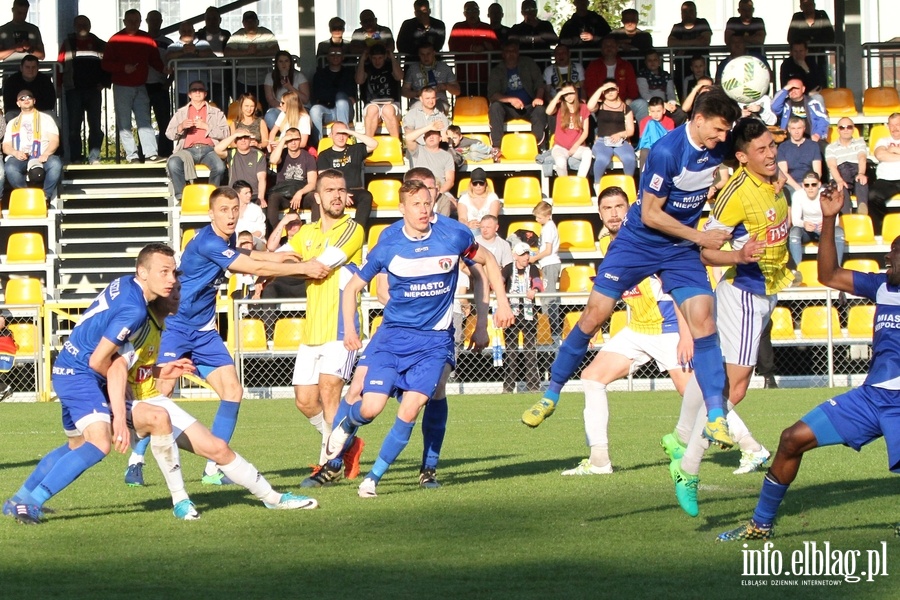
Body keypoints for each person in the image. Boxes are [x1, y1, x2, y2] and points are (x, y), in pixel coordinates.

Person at [521, 87, 743, 454]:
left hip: (679, 248)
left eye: (727, 131)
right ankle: (551, 394)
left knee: (704, 320)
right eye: (718, 129)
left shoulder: (720, 143)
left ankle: (716, 416)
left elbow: (741, 157)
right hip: (639, 242)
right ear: (698, 120)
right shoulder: (666, 151)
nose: (723, 137)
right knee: (594, 315)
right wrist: (701, 236)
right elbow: (653, 214)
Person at [716, 185, 899, 543]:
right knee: (791, 439)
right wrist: (829, 218)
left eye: (897, 254)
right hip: (870, 398)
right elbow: (828, 275)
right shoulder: (881, 287)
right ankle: (760, 525)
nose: (889, 260)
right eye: (891, 252)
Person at [324, 179, 514, 498]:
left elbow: (487, 262)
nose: (424, 210)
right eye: (416, 204)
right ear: (402, 209)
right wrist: (352, 329)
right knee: (369, 407)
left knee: (415, 406)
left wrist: (499, 305)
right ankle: (345, 428)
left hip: (434, 341)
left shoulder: (453, 234)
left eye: (428, 203)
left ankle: (376, 478)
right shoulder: (389, 243)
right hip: (393, 337)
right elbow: (355, 287)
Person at [154, 187, 331, 484]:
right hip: (176, 324)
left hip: (204, 329)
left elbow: (249, 254)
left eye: (234, 209)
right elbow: (251, 266)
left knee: (233, 392)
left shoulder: (229, 237)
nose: (231, 215)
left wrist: (282, 256)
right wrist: (301, 267)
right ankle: (135, 459)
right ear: (211, 213)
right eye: (223, 210)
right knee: (161, 394)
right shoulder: (209, 241)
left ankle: (214, 468)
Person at [666, 118, 792, 517]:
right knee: (730, 390)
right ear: (741, 157)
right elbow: (704, 251)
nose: (771, 153)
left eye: (772, 146)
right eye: (762, 149)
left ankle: (681, 436)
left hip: (766, 292)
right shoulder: (734, 194)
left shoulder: (771, 180)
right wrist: (737, 256)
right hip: (744, 295)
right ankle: (687, 468)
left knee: (717, 380)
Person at [2, 244, 181, 524]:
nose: (172, 279)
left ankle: (18, 500)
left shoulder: (125, 283)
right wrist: (120, 411)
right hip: (80, 373)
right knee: (100, 443)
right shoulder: (135, 309)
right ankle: (32, 504)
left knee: (76, 445)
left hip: (68, 365)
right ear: (142, 273)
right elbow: (99, 361)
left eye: (173, 272)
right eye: (164, 272)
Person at [119, 281, 318, 514]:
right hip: (120, 404)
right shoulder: (140, 321)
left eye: (179, 290)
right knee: (95, 444)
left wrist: (160, 370)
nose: (178, 296)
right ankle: (142, 466)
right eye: (172, 290)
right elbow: (110, 366)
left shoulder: (157, 324)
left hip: (203, 332)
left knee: (219, 436)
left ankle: (269, 496)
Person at [564, 187, 694, 475]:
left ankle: (751, 447)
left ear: (631, 209)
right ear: (599, 214)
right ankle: (599, 460)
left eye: (619, 206)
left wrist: (687, 333)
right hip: (636, 328)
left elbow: (678, 285)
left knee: (695, 393)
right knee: (592, 378)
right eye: (607, 208)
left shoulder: (647, 239)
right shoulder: (610, 246)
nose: (614, 213)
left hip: (668, 327)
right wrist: (593, 324)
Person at [289, 169, 367, 486]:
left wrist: (287, 268)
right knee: (304, 401)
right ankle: (344, 442)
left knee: (329, 391)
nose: (337, 195)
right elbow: (281, 257)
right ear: (318, 197)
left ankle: (329, 464)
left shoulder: (353, 230)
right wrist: (279, 265)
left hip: (340, 327)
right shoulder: (305, 233)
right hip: (313, 329)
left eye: (341, 189)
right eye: (330, 189)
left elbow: (321, 266)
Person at [101, 9, 165, 164]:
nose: (133, 24)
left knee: (144, 121)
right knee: (124, 123)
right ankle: (132, 156)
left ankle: (151, 154)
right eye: (130, 21)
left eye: (136, 21)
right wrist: (123, 68)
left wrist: (165, 70)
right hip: (122, 86)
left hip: (141, 85)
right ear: (124, 22)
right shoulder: (116, 40)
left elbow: (154, 60)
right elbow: (105, 63)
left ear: (140, 21)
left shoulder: (146, 38)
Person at [165, 80, 229, 202]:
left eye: (201, 90)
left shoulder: (216, 113)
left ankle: (213, 199)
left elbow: (226, 133)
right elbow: (169, 134)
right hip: (187, 150)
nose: (197, 92)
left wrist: (207, 127)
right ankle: (182, 197)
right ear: (189, 94)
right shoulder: (181, 113)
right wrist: (181, 126)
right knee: (173, 163)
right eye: (194, 90)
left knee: (220, 167)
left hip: (210, 150)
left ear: (205, 94)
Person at [58, 15, 107, 165]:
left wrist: (104, 83)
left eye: (85, 24)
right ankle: (76, 158)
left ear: (90, 25)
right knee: (73, 128)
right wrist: (58, 87)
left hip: (94, 90)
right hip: (73, 89)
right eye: (79, 24)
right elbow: (60, 65)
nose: (82, 27)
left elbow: (108, 65)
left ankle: (94, 157)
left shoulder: (99, 43)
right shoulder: (67, 43)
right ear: (74, 26)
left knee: (96, 127)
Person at [308, 122, 377, 228]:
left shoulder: (355, 149)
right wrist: (342, 193)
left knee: (366, 196)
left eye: (344, 134)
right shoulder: (324, 155)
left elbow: (374, 144)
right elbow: (324, 179)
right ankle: (318, 231)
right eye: (337, 134)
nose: (341, 137)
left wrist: (351, 132)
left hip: (355, 192)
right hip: (333, 191)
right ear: (331, 135)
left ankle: (357, 231)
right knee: (320, 198)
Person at [487, 40, 548, 155]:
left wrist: (538, 97)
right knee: (495, 107)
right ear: (503, 54)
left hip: (529, 105)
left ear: (518, 53)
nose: (511, 54)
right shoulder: (497, 70)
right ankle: (497, 148)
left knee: (540, 109)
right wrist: (510, 100)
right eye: (508, 52)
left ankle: (538, 147)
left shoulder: (528, 64)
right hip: (508, 109)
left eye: (514, 51)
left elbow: (540, 83)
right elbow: (493, 95)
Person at [2, 88, 62, 203]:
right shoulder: (12, 123)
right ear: (18, 103)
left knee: (55, 164)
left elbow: (54, 140)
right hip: (21, 156)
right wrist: (15, 153)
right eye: (22, 98)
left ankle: (45, 196)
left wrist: (46, 153)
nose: (26, 99)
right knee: (10, 167)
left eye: (29, 97)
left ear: (34, 100)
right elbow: (6, 146)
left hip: (42, 154)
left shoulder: (46, 118)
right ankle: (27, 197)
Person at [503, 242, 544, 393]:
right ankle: (508, 386)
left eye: (527, 254)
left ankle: (533, 386)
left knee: (530, 350)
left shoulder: (532, 268)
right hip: (511, 314)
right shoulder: (508, 268)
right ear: (515, 256)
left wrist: (534, 289)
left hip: (529, 313)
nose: (526, 257)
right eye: (522, 255)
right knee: (511, 351)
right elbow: (499, 283)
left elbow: (538, 282)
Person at [789, 171, 845, 269]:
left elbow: (835, 221)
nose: (810, 188)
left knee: (839, 232)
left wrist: (826, 224)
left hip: (825, 230)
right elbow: (795, 220)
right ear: (803, 185)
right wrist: (804, 224)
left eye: (813, 184)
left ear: (819, 184)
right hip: (807, 230)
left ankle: (837, 268)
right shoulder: (798, 195)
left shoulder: (827, 194)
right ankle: (797, 270)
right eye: (807, 185)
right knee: (794, 232)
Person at [266, 127, 318, 230]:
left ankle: (315, 232)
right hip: (284, 193)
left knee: (315, 198)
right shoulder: (282, 153)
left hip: (301, 194)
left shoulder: (308, 157)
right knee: (273, 198)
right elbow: (273, 160)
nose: (293, 142)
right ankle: (273, 234)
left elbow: (312, 183)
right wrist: (283, 141)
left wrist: (300, 193)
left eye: (296, 139)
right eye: (290, 140)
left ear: (300, 140)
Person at [587, 80, 637, 185]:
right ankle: (597, 184)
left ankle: (628, 185)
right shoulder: (599, 105)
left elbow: (631, 130)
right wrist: (601, 89)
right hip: (602, 141)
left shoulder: (625, 108)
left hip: (621, 141)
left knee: (630, 158)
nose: (610, 92)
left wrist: (620, 134)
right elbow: (590, 107)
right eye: (607, 90)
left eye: (612, 89)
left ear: (618, 90)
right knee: (602, 159)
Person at [223, 11, 279, 102]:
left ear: (257, 22)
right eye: (247, 21)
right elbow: (227, 52)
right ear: (243, 23)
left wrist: (258, 52)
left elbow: (276, 50)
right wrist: (247, 52)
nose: (250, 24)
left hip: (264, 80)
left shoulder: (266, 33)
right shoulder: (237, 35)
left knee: (264, 106)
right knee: (244, 106)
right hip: (243, 80)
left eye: (252, 21)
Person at [406, 122, 457, 217]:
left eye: (434, 134)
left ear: (440, 138)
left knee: (453, 204)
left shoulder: (447, 156)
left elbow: (450, 180)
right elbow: (408, 138)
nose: (431, 137)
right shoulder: (417, 150)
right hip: (418, 189)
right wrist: (429, 127)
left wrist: (437, 193)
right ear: (424, 139)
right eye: (428, 135)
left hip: (440, 190)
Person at [448, 1, 498, 97]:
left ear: (479, 12)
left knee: (483, 105)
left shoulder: (487, 28)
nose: (472, 14)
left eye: (475, 10)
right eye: (469, 11)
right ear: (464, 14)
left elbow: (496, 47)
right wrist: (471, 48)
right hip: (463, 76)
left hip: (483, 76)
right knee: (463, 105)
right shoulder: (458, 27)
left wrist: (489, 48)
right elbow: (452, 46)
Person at [309, 45, 357, 143]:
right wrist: (339, 94)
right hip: (328, 111)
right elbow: (318, 96)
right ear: (327, 57)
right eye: (332, 54)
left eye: (338, 54)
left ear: (343, 57)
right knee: (314, 110)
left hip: (345, 111)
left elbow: (351, 98)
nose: (335, 56)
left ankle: (344, 139)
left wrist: (332, 94)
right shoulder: (320, 75)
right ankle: (319, 145)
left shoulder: (349, 73)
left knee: (341, 100)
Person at [530, 201, 562, 344]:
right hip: (546, 264)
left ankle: (552, 330)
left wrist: (534, 258)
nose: (537, 220)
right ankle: (548, 329)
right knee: (545, 297)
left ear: (548, 216)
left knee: (548, 298)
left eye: (540, 217)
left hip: (550, 264)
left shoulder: (549, 227)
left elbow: (548, 251)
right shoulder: (546, 226)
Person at [355, 43, 403, 139]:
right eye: (374, 58)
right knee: (373, 110)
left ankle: (396, 144)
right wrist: (362, 60)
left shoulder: (391, 66)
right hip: (371, 104)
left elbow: (399, 76)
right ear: (370, 58)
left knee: (388, 110)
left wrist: (392, 57)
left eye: (380, 58)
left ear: (385, 56)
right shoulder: (366, 67)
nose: (377, 61)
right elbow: (359, 80)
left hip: (392, 103)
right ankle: (368, 145)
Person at [667, 2, 713, 98]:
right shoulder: (677, 27)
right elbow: (671, 43)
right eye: (685, 11)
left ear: (696, 12)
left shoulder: (702, 23)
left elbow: (705, 41)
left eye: (690, 11)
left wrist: (682, 44)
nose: (688, 14)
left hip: (701, 67)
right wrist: (695, 41)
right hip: (682, 69)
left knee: (705, 94)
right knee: (684, 96)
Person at [401, 41, 460, 114]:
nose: (425, 57)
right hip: (418, 101)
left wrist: (446, 86)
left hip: (439, 101)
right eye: (422, 54)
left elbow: (457, 91)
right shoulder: (412, 69)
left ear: (434, 53)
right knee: (418, 109)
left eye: (428, 54)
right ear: (419, 55)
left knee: (436, 109)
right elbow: (404, 91)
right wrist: (417, 93)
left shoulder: (444, 67)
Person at [546, 84, 592, 178]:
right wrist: (558, 95)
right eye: (566, 94)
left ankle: (580, 181)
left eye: (571, 93)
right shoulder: (559, 107)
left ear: (576, 93)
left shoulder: (583, 107)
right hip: (560, 147)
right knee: (561, 163)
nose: (569, 96)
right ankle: (564, 184)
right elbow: (548, 111)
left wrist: (575, 146)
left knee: (588, 153)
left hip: (577, 146)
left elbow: (585, 132)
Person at [825, 117, 869, 215]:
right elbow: (832, 166)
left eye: (849, 127)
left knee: (862, 180)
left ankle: (862, 209)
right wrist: (839, 180)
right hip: (839, 174)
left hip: (855, 171)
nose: (845, 130)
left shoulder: (860, 142)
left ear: (853, 129)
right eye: (842, 127)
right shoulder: (831, 147)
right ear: (838, 130)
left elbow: (862, 158)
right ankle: (846, 215)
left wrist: (861, 173)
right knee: (840, 189)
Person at [144, 10, 173, 158]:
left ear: (161, 22)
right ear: (147, 21)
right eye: (152, 20)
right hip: (142, 86)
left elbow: (175, 65)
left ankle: (165, 153)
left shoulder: (168, 43)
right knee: (144, 122)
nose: (154, 23)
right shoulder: (140, 39)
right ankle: (146, 153)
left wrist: (169, 82)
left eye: (157, 20)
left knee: (164, 122)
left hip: (160, 85)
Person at [165, 22, 215, 107]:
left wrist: (195, 51)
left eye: (189, 31)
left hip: (201, 90)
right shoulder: (173, 46)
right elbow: (168, 57)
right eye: (184, 31)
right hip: (182, 90)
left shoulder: (203, 43)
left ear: (193, 31)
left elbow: (209, 54)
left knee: (202, 114)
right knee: (183, 116)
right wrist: (182, 51)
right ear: (180, 32)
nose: (187, 33)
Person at [867, 112, 900, 235]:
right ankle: (886, 227)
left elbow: (886, 154)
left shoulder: (889, 146)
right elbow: (880, 155)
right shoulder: (883, 140)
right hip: (886, 180)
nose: (895, 128)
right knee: (872, 196)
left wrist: (894, 150)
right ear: (888, 126)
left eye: (898, 124)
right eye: (892, 125)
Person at [214, 129, 267, 203]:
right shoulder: (232, 153)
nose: (243, 140)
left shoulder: (258, 154)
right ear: (235, 141)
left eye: (245, 137)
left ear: (249, 139)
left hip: (253, 195)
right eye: (239, 138)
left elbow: (261, 178)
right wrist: (235, 135)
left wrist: (261, 197)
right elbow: (217, 149)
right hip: (234, 195)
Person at [771, 78, 829, 144]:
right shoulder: (785, 104)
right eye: (790, 89)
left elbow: (823, 120)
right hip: (788, 142)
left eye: (796, 88)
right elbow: (774, 107)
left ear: (803, 89)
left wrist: (817, 134)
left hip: (810, 141)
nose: (793, 91)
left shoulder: (813, 103)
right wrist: (785, 90)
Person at [584, 36, 640, 104]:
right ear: (601, 49)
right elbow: (590, 88)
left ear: (617, 48)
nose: (609, 47)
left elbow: (633, 88)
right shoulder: (593, 66)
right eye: (606, 45)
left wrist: (626, 101)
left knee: (641, 103)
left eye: (612, 45)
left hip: (623, 102)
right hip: (600, 103)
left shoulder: (626, 65)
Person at [263, 50, 310, 130]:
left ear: (290, 63)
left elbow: (305, 99)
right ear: (276, 64)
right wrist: (284, 108)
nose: (283, 64)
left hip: (299, 107)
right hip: (280, 108)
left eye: (286, 61)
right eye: (280, 61)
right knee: (270, 115)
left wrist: (290, 87)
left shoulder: (299, 76)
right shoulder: (270, 76)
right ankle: (283, 138)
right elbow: (270, 99)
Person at [776, 116, 822, 196]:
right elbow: (783, 173)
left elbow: (817, 172)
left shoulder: (813, 146)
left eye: (799, 128)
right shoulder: (783, 147)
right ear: (789, 130)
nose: (796, 132)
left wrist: (808, 186)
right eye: (793, 128)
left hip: (810, 183)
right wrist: (798, 188)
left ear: (804, 128)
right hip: (791, 185)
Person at [196, 6, 231, 109]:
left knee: (221, 110)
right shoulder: (199, 35)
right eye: (209, 18)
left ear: (220, 20)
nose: (212, 21)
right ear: (205, 20)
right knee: (200, 109)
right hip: (202, 78)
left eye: (214, 18)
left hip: (222, 79)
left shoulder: (226, 34)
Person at [3, 54, 55, 120]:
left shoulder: (45, 80)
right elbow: (9, 104)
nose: (31, 70)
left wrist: (32, 110)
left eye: (33, 67)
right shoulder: (12, 81)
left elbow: (50, 103)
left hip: (40, 112)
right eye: (27, 67)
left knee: (51, 116)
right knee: (9, 115)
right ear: (21, 68)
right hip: (18, 112)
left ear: (38, 68)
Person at [457, 167, 500, 233]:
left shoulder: (493, 197)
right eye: (475, 183)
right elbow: (462, 219)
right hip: (470, 230)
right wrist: (468, 224)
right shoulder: (464, 198)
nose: (478, 186)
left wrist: (482, 225)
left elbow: (493, 219)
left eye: (481, 183)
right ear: (471, 184)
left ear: (486, 184)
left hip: (487, 231)